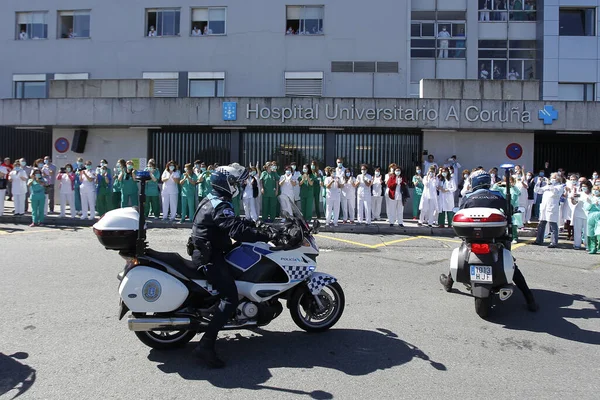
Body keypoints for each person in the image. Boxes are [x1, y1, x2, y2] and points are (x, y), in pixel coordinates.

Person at [190, 164, 275, 368]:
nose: (238, 185)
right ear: (226, 183)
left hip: (209, 251)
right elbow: (235, 230)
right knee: (230, 297)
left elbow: (233, 223)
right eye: (235, 182)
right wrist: (266, 235)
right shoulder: (220, 205)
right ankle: (206, 346)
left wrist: (254, 225)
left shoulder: (215, 199)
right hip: (209, 257)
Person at [439, 170, 539, 311]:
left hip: (471, 236)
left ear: (474, 183)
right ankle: (530, 299)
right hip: (496, 236)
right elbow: (509, 210)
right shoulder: (498, 195)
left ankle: (449, 283)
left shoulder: (468, 197)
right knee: (512, 264)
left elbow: (460, 211)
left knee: (463, 251)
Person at [534, 172, 564, 248]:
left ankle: (554, 242)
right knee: (541, 224)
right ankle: (539, 240)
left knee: (553, 225)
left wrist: (550, 185)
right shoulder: (547, 186)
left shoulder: (560, 186)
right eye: (551, 178)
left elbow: (556, 193)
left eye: (554, 178)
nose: (552, 179)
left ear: (558, 179)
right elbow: (538, 191)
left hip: (552, 208)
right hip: (544, 207)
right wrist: (539, 182)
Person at [570, 179, 590, 250]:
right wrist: (572, 198)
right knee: (577, 230)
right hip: (578, 213)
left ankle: (588, 245)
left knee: (587, 231)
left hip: (588, 214)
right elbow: (574, 203)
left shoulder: (592, 194)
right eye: (583, 186)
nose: (584, 188)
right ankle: (577, 244)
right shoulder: (579, 194)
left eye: (585, 186)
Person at [583, 185, 600, 254]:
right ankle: (592, 248)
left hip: (598, 215)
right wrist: (590, 203)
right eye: (594, 189)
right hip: (590, 215)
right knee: (590, 232)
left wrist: (597, 205)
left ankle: (598, 247)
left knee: (598, 232)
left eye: (597, 190)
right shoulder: (590, 198)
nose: (595, 191)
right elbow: (586, 208)